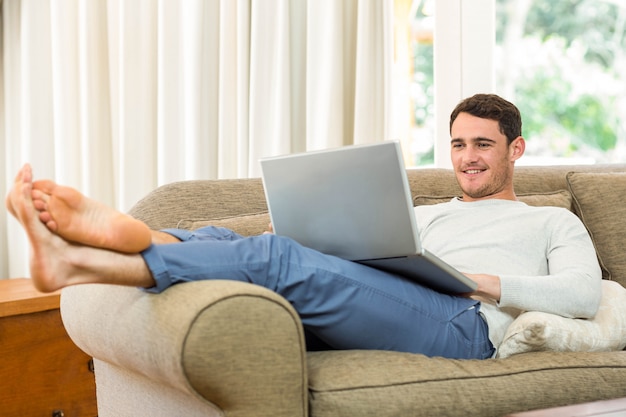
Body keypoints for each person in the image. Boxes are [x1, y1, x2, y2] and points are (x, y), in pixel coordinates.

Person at [5, 94, 602, 359]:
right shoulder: (424, 214)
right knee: (225, 238)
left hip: (466, 325)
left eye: (483, 145)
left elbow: (583, 293)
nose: (468, 157)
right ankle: (100, 255)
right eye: (458, 144)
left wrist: (482, 281)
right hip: (407, 295)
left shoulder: (551, 220)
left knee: (277, 259)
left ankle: (103, 255)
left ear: (515, 149)